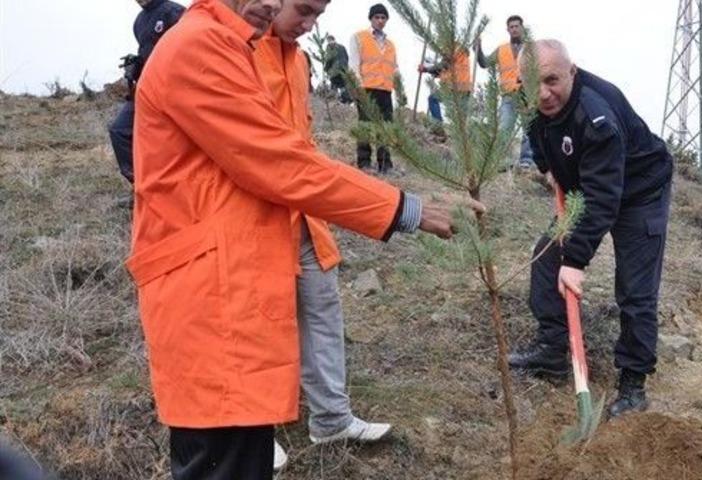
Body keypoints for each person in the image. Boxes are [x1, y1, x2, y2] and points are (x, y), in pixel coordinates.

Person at [126, 1, 483, 479]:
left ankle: (330, 417)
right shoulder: (201, 46)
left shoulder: (237, 45)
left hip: (229, 288)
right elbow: (280, 162)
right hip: (211, 300)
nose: (273, 4)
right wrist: (407, 209)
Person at [252, 0, 394, 468]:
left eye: (318, 15)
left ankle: (331, 418)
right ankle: (254, 431)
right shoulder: (240, 49)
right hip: (256, 216)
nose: (309, 24)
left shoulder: (299, 59)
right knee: (261, 320)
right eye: (303, 10)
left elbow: (302, 144)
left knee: (322, 306)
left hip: (306, 212)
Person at [508, 40, 673, 419]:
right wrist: (547, 168)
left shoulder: (596, 116)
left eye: (551, 80)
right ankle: (552, 351)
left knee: (635, 290)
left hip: (640, 190)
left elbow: (603, 200)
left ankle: (633, 384)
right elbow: (536, 132)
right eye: (532, 84)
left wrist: (576, 260)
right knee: (546, 255)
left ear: (572, 71)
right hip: (588, 186)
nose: (542, 94)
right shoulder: (531, 98)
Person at [108, 0, 184, 183]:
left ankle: (170, 186)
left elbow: (191, 49)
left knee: (169, 141)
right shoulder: (139, 21)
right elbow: (147, 54)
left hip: (174, 89)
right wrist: (136, 65)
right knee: (119, 130)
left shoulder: (174, 12)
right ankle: (141, 185)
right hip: (146, 89)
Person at [475, 14, 534, 169]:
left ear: (522, 28)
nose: (514, 29)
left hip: (528, 95)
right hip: (508, 96)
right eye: (511, 27)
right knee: (504, 128)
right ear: (508, 30)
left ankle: (526, 160)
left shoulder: (531, 48)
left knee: (529, 129)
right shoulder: (501, 50)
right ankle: (500, 162)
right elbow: (484, 63)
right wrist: (478, 49)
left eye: (517, 26)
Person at [349, 3, 398, 174]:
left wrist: (399, 89)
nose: (380, 20)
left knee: (385, 128)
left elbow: (395, 68)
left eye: (383, 18)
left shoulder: (391, 45)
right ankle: (364, 162)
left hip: (385, 90)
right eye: (377, 17)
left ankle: (385, 163)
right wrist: (357, 88)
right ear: (371, 19)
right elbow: (354, 65)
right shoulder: (359, 37)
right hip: (366, 89)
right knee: (365, 127)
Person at [324, 34, 352, 103]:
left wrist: (325, 69)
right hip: (344, 69)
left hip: (335, 71)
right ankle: (346, 99)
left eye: (329, 40)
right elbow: (347, 57)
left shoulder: (330, 48)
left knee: (335, 85)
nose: (329, 42)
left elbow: (328, 59)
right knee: (343, 85)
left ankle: (335, 100)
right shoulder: (342, 47)